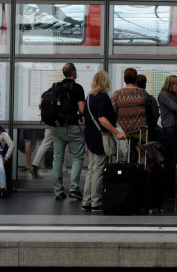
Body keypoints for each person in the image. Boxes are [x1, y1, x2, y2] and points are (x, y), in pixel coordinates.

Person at [81, 71, 126, 212]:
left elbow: (84, 118)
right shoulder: (103, 97)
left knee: (91, 170)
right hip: (99, 137)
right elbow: (101, 118)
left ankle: (86, 201)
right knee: (99, 170)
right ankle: (96, 202)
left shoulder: (89, 97)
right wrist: (116, 132)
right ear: (106, 82)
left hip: (89, 135)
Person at [42, 63, 86, 201]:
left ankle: (58, 191)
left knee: (57, 159)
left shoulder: (56, 87)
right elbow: (82, 110)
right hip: (71, 127)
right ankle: (73, 188)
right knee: (78, 156)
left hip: (55, 128)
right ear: (74, 73)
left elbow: (41, 104)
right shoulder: (77, 88)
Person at [158, 74, 177, 199]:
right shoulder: (164, 95)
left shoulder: (174, 96)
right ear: (171, 84)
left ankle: (176, 187)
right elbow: (176, 109)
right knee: (171, 161)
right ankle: (167, 189)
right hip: (170, 131)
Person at [111, 67, 148, 152]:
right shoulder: (143, 93)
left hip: (123, 132)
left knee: (124, 157)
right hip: (140, 133)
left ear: (124, 79)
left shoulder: (117, 94)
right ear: (136, 79)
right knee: (139, 155)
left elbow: (112, 111)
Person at [136, 74, 161, 142]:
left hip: (131, 132)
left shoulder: (129, 99)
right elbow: (155, 116)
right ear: (145, 84)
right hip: (148, 131)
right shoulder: (151, 99)